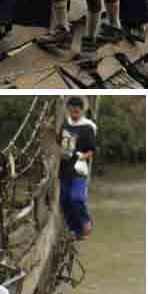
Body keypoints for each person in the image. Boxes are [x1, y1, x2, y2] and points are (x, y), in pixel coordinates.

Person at [59, 97, 96, 239]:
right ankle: (75, 230)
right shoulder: (63, 126)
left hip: (78, 168)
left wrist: (82, 157)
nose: (74, 111)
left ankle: (86, 221)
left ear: (81, 110)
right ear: (68, 109)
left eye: (77, 109)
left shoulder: (87, 128)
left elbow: (91, 150)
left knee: (76, 198)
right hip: (63, 168)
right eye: (72, 108)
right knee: (64, 201)